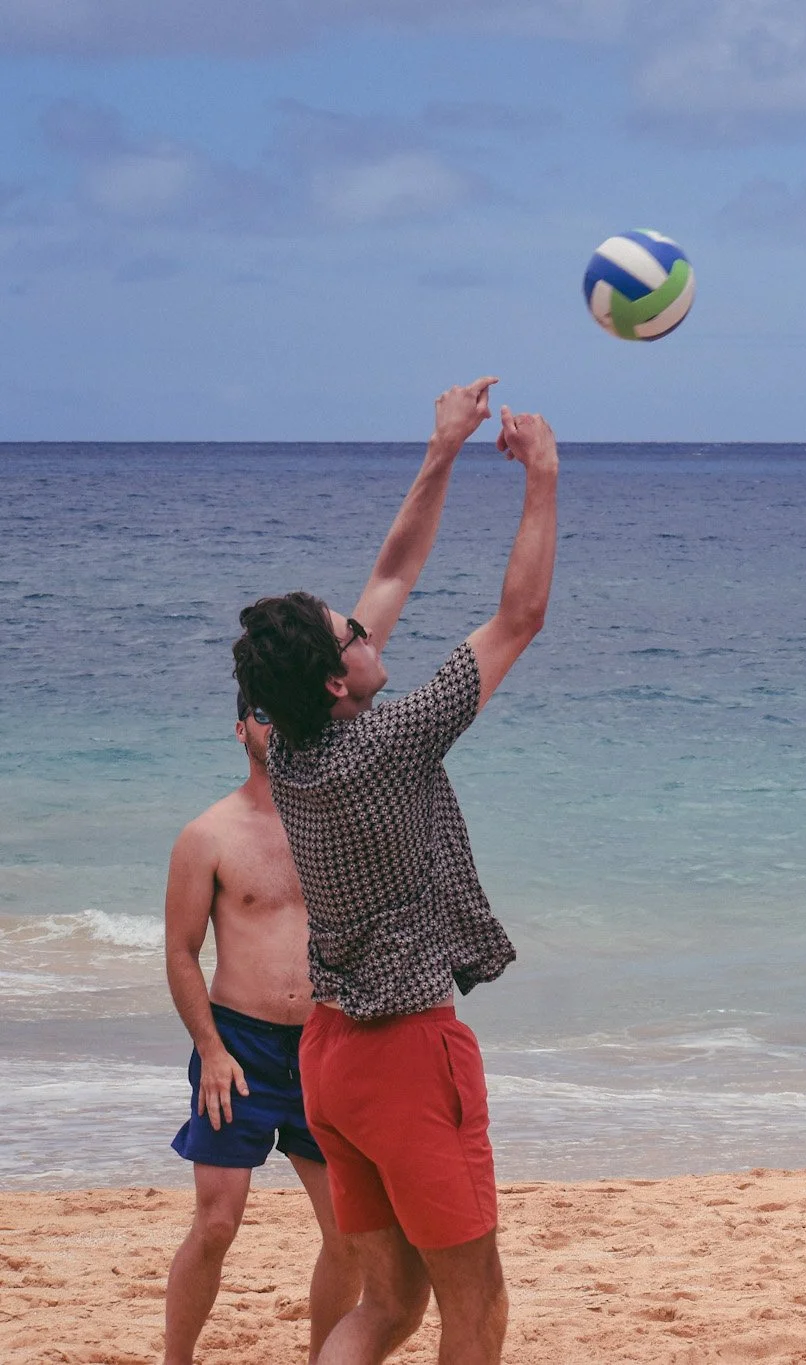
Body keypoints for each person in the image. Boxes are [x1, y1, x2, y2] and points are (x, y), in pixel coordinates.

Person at [231, 377, 558, 1365]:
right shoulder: (395, 741)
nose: (371, 632)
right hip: (408, 1056)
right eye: (354, 637)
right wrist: (542, 474)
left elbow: (391, 573)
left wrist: (442, 449)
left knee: (386, 1305)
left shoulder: (287, 748)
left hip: (328, 1061)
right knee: (476, 1310)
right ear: (340, 682)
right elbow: (520, 617)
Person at [161, 689, 363, 1365]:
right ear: (240, 725)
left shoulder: (336, 824)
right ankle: (176, 1359)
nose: (276, 727)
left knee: (348, 1234)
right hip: (238, 1044)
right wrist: (210, 1051)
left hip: (323, 1043)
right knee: (217, 1224)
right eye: (264, 714)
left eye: (287, 711)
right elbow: (181, 952)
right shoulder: (207, 834)